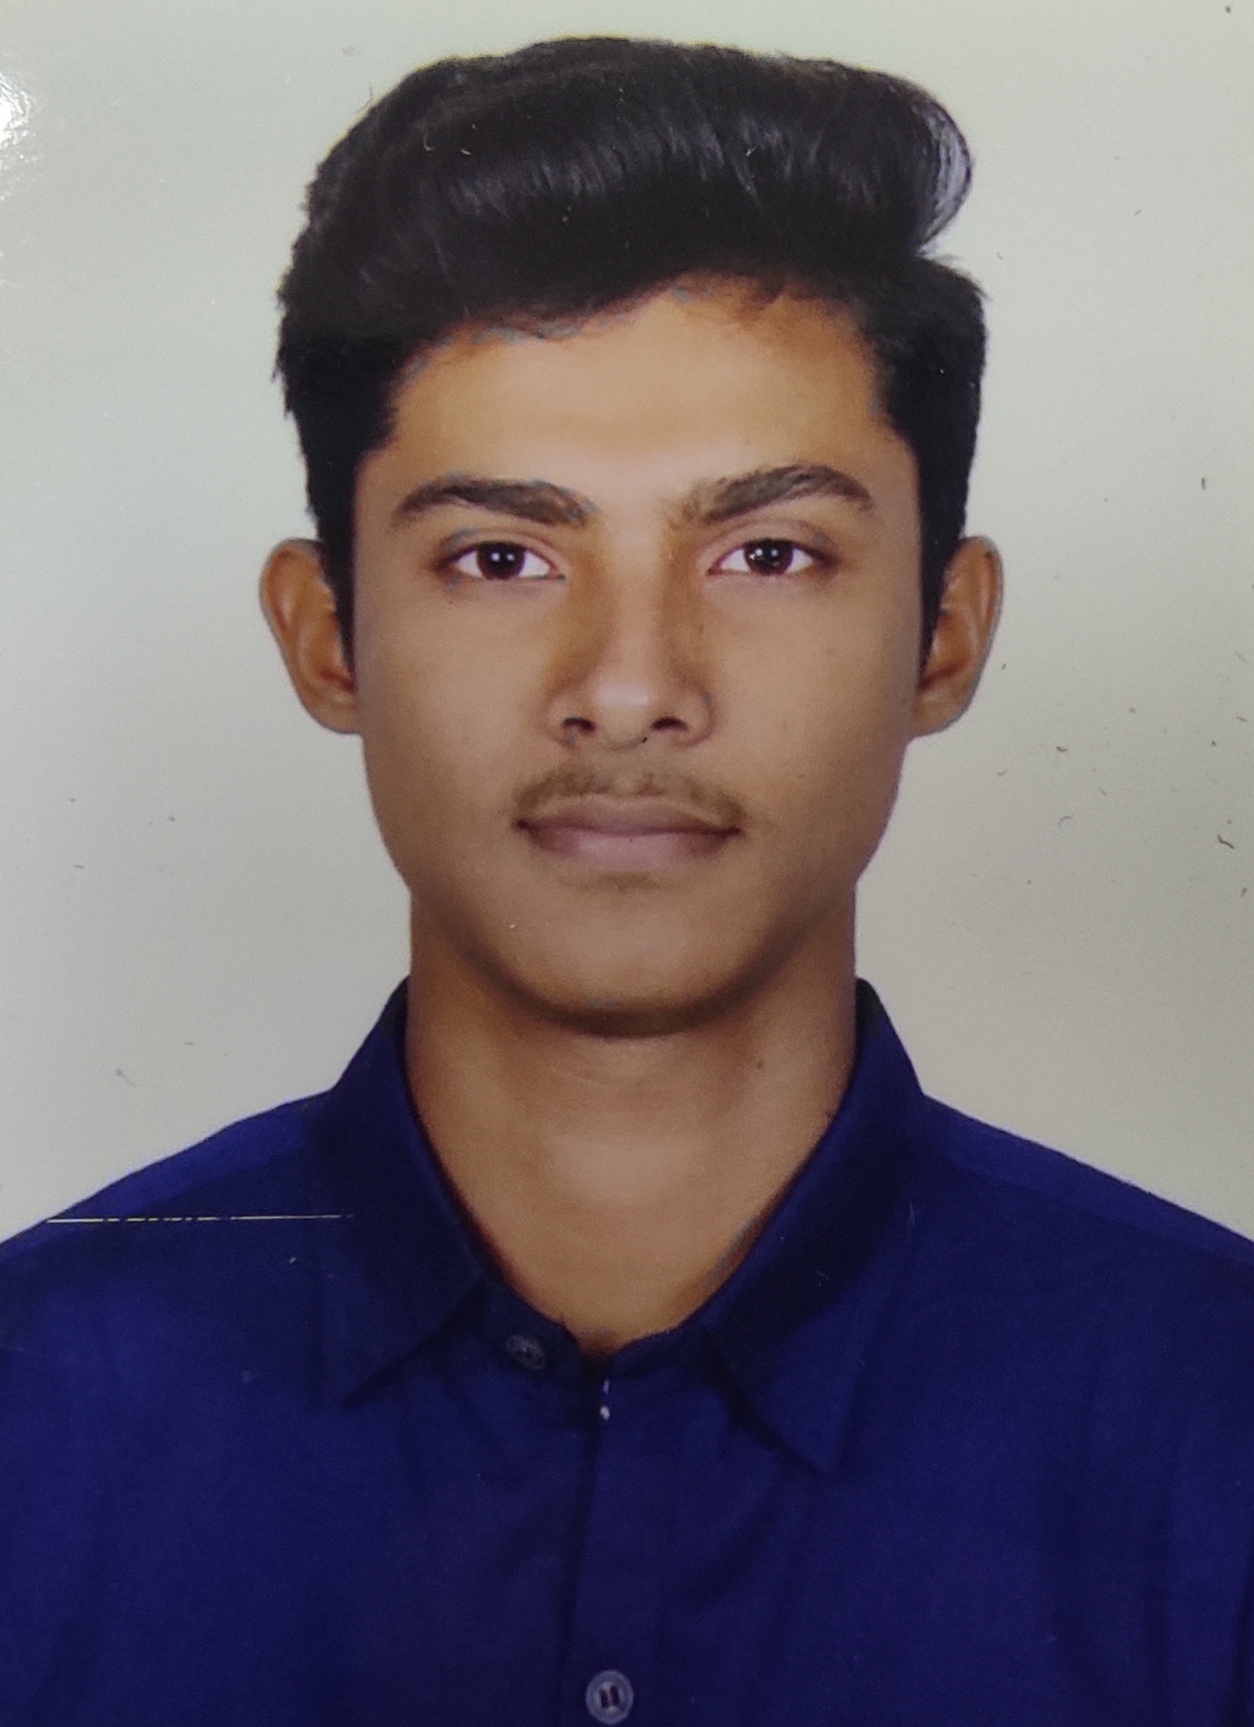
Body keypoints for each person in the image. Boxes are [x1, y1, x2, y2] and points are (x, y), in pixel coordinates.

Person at [1, 35, 1251, 1726]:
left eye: (766, 553)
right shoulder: (33, 1412)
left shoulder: (1215, 1418)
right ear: (327, 637)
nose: (629, 684)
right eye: (501, 555)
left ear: (943, 637)